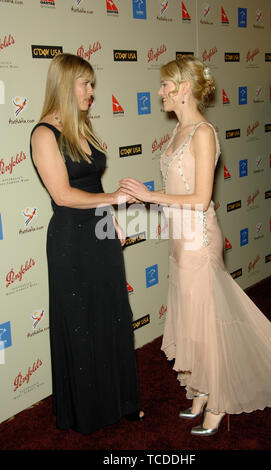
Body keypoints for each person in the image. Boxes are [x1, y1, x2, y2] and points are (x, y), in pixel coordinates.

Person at [120, 56, 271, 436]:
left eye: (166, 85)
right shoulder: (176, 132)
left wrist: (154, 195)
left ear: (184, 87)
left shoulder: (203, 132)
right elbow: (177, 192)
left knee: (206, 319)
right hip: (178, 239)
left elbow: (200, 199)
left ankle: (218, 400)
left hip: (198, 237)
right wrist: (147, 199)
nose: (160, 92)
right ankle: (200, 389)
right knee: (191, 317)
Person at [30, 53, 144, 435]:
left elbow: (91, 185)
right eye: (86, 84)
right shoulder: (44, 134)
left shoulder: (83, 125)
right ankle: (86, 411)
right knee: (80, 323)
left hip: (99, 230)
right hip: (70, 240)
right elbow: (62, 195)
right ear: (66, 84)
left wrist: (111, 221)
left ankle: (123, 400)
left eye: (92, 85)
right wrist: (112, 201)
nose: (92, 92)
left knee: (113, 315)